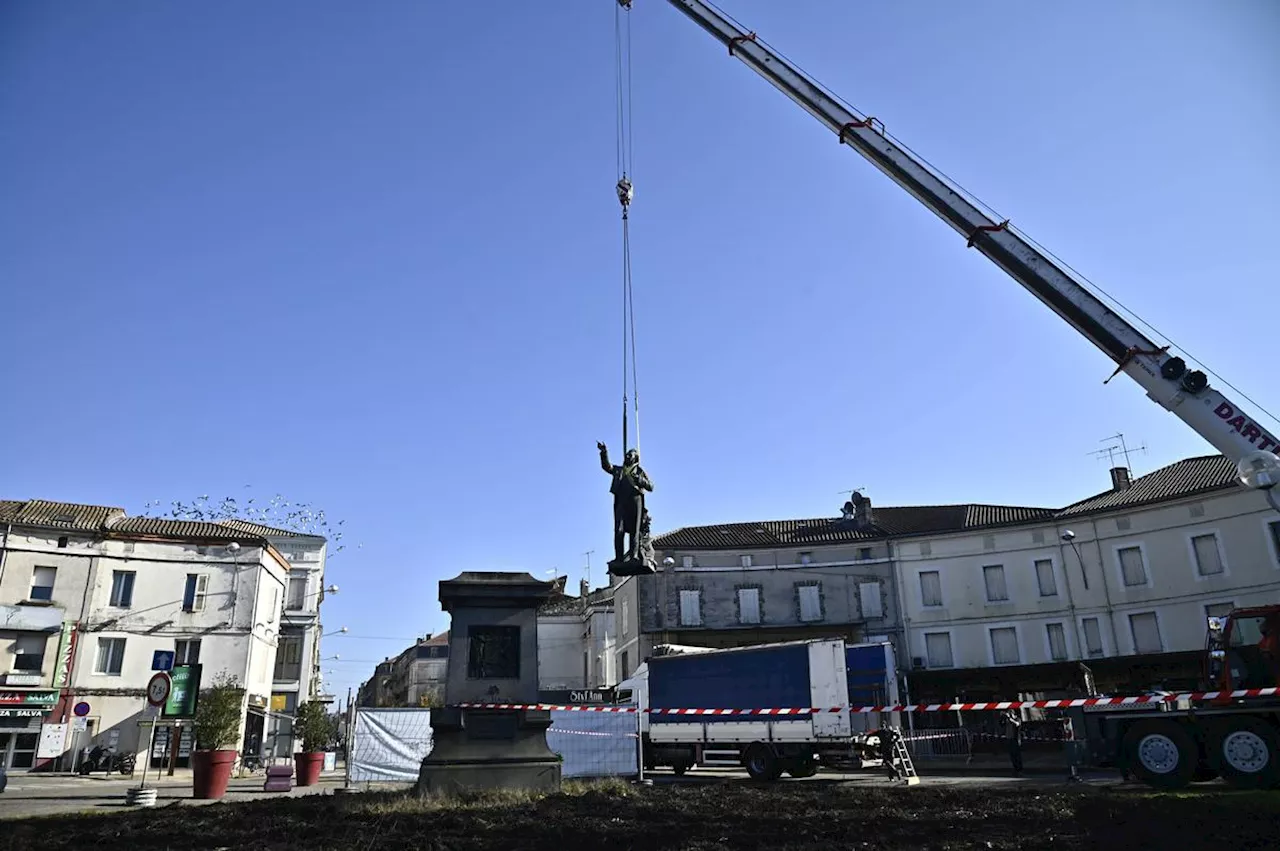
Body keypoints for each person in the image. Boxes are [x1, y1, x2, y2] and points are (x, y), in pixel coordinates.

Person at [598, 441, 654, 566]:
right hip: (621, 501)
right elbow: (607, 467)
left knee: (635, 530)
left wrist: (639, 479)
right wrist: (603, 452)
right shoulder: (619, 470)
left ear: (635, 458)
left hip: (635, 501)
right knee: (619, 530)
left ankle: (634, 556)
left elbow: (651, 486)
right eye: (627, 454)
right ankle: (619, 558)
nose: (628, 456)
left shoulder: (639, 471)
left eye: (631, 454)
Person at [1003, 708, 1023, 776]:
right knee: (1012, 756)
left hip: (1015, 739)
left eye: (1010, 713)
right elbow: (1001, 724)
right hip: (1009, 739)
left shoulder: (1017, 719)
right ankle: (1015, 769)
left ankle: (1019, 769)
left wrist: (1010, 719)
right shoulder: (1008, 720)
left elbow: (1017, 724)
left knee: (1017, 755)